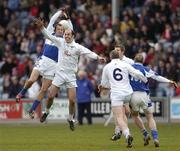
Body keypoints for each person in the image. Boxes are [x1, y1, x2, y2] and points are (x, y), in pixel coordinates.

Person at [34, 18, 106, 131]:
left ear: (73, 36)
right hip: (59, 74)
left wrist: (98, 57)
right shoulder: (60, 42)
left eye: (68, 34)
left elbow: (89, 52)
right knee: (51, 96)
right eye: (65, 34)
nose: (66, 36)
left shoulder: (77, 47)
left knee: (72, 100)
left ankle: (70, 118)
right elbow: (49, 36)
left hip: (71, 76)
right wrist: (42, 27)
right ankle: (46, 112)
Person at [15, 8, 73, 119]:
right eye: (59, 28)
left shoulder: (65, 40)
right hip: (43, 61)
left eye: (62, 29)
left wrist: (68, 18)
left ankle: (32, 110)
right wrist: (60, 12)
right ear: (55, 29)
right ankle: (21, 93)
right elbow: (52, 20)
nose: (60, 30)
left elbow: (71, 29)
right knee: (32, 80)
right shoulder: (49, 34)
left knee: (44, 90)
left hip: (54, 66)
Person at [98, 49, 147, 148]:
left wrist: (101, 87)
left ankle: (127, 134)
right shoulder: (125, 64)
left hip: (117, 94)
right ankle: (120, 131)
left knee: (119, 116)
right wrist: (144, 79)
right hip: (128, 93)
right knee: (126, 113)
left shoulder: (107, 67)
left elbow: (104, 84)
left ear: (110, 57)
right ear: (119, 56)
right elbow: (136, 73)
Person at [129, 53, 178, 147]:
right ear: (142, 61)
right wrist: (170, 81)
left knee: (135, 115)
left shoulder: (129, 68)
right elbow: (157, 77)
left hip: (133, 95)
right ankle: (155, 138)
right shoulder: (146, 69)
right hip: (145, 95)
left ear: (134, 60)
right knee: (150, 116)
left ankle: (145, 134)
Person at [109, 44, 134, 141]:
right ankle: (120, 132)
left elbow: (135, 74)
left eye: (118, 50)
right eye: (115, 50)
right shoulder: (112, 62)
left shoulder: (129, 62)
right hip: (117, 91)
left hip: (126, 90)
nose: (116, 52)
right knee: (120, 113)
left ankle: (119, 131)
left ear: (123, 52)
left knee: (125, 113)